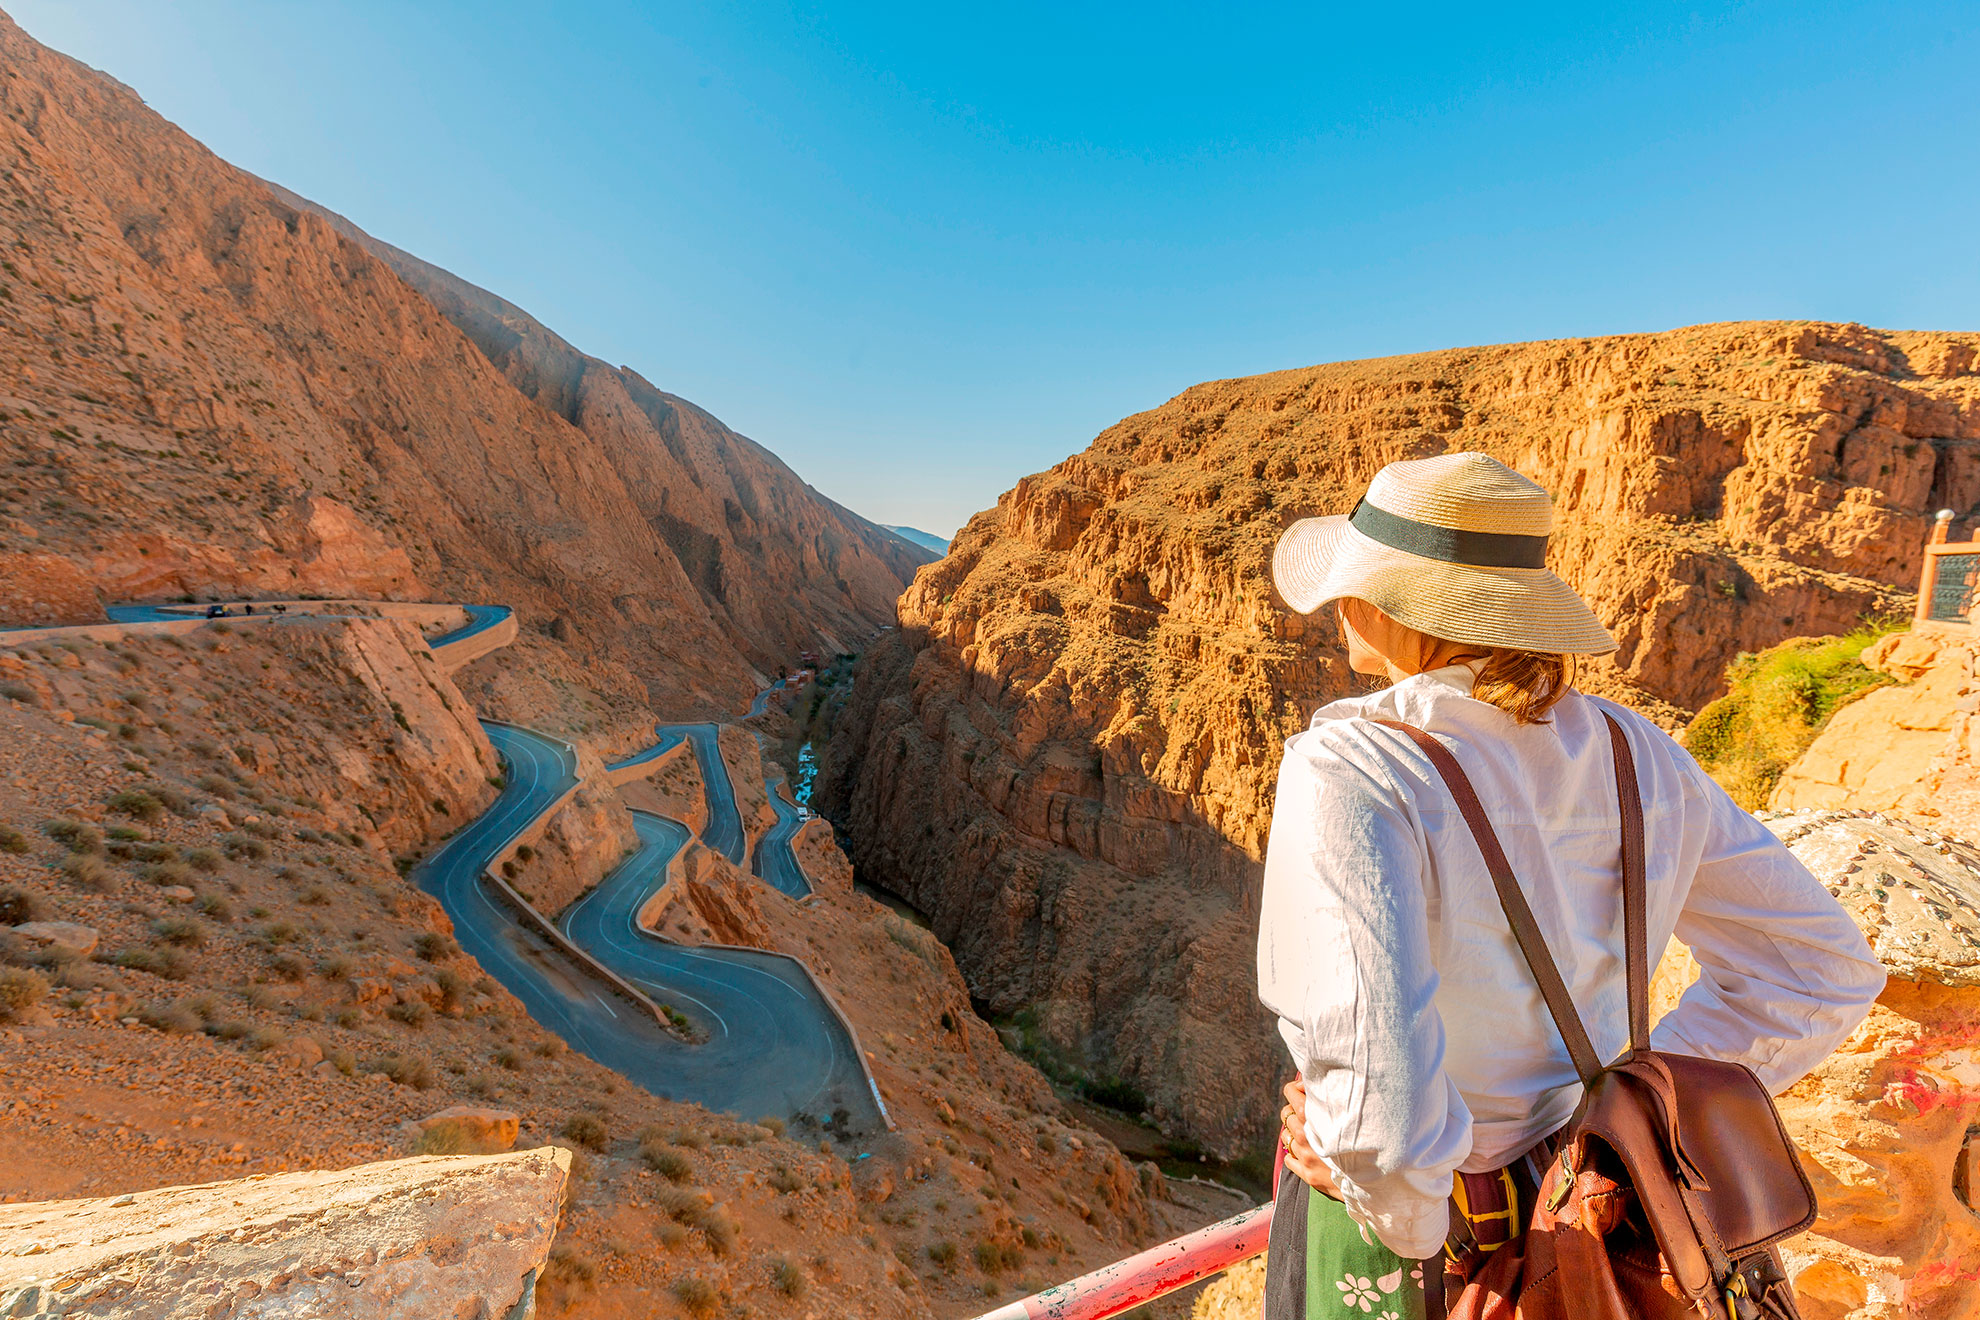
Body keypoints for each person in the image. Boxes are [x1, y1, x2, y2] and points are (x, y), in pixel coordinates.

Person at [1256, 452, 1883, 1318]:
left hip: (1428, 1237)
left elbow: (1384, 1127)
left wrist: (1398, 1200)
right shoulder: (1638, 752)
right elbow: (1818, 968)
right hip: (1607, 1203)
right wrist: (1635, 1119)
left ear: (1382, 601)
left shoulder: (1357, 766)